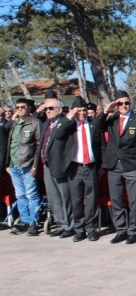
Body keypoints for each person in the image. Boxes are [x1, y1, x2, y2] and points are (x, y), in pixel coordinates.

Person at [103, 90, 136, 244]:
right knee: (116, 200)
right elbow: (96, 128)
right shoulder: (111, 119)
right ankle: (121, 230)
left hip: (131, 165)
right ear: (116, 104)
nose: (124, 106)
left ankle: (133, 230)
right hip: (114, 165)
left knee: (134, 200)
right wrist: (107, 110)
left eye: (126, 103)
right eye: (120, 103)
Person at [63, 97, 107, 242]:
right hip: (75, 168)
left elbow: (101, 142)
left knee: (92, 199)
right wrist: (70, 116)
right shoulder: (69, 126)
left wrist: (100, 166)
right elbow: (58, 134)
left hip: (90, 167)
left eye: (84, 111)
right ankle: (79, 229)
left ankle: (91, 229)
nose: (82, 113)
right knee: (76, 200)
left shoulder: (92, 125)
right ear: (74, 111)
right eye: (79, 111)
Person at [2, 98, 41, 235]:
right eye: (17, 107)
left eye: (22, 107)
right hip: (14, 164)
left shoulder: (35, 123)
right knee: (20, 195)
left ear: (29, 108)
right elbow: (9, 144)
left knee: (31, 194)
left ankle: (34, 223)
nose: (19, 109)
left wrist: (35, 165)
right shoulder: (13, 124)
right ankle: (25, 221)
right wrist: (7, 164)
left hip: (27, 164)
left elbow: (38, 146)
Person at [38, 97, 74, 238]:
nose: (47, 111)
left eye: (50, 108)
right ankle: (61, 224)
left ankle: (69, 225)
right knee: (53, 197)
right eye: (46, 108)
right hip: (46, 164)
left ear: (59, 109)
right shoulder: (45, 124)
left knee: (65, 196)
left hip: (60, 165)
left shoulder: (66, 123)